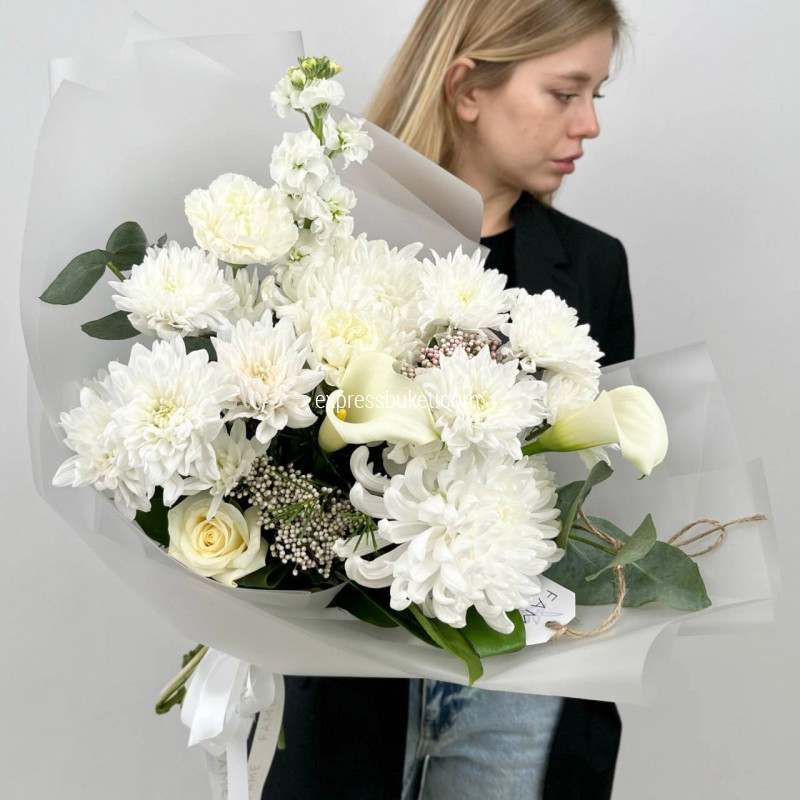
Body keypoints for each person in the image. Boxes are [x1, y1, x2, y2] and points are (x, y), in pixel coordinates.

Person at [265, 1, 633, 797]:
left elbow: (598, 501)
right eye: (565, 93)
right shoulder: (331, 241)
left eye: (596, 94)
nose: (589, 124)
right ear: (467, 89)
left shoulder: (593, 268)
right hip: (349, 677)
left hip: (522, 685)